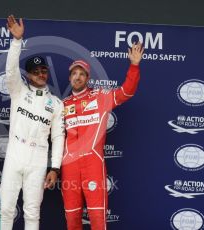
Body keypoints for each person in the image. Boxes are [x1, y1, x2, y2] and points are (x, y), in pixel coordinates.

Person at [61, 44, 144, 229]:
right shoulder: (62, 105)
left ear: (87, 78)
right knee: (72, 219)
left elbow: (126, 92)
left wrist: (134, 66)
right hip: (70, 167)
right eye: (74, 73)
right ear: (69, 78)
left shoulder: (100, 97)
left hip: (93, 164)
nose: (78, 76)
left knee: (98, 218)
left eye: (82, 73)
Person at [0, 15, 65, 230]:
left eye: (43, 71)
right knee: (7, 209)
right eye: (35, 72)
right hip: (15, 152)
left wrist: (54, 168)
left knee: (32, 212)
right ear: (28, 75)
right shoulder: (18, 91)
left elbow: (57, 136)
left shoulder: (55, 103)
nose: (40, 74)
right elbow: (10, 71)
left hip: (38, 158)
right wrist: (17, 41)